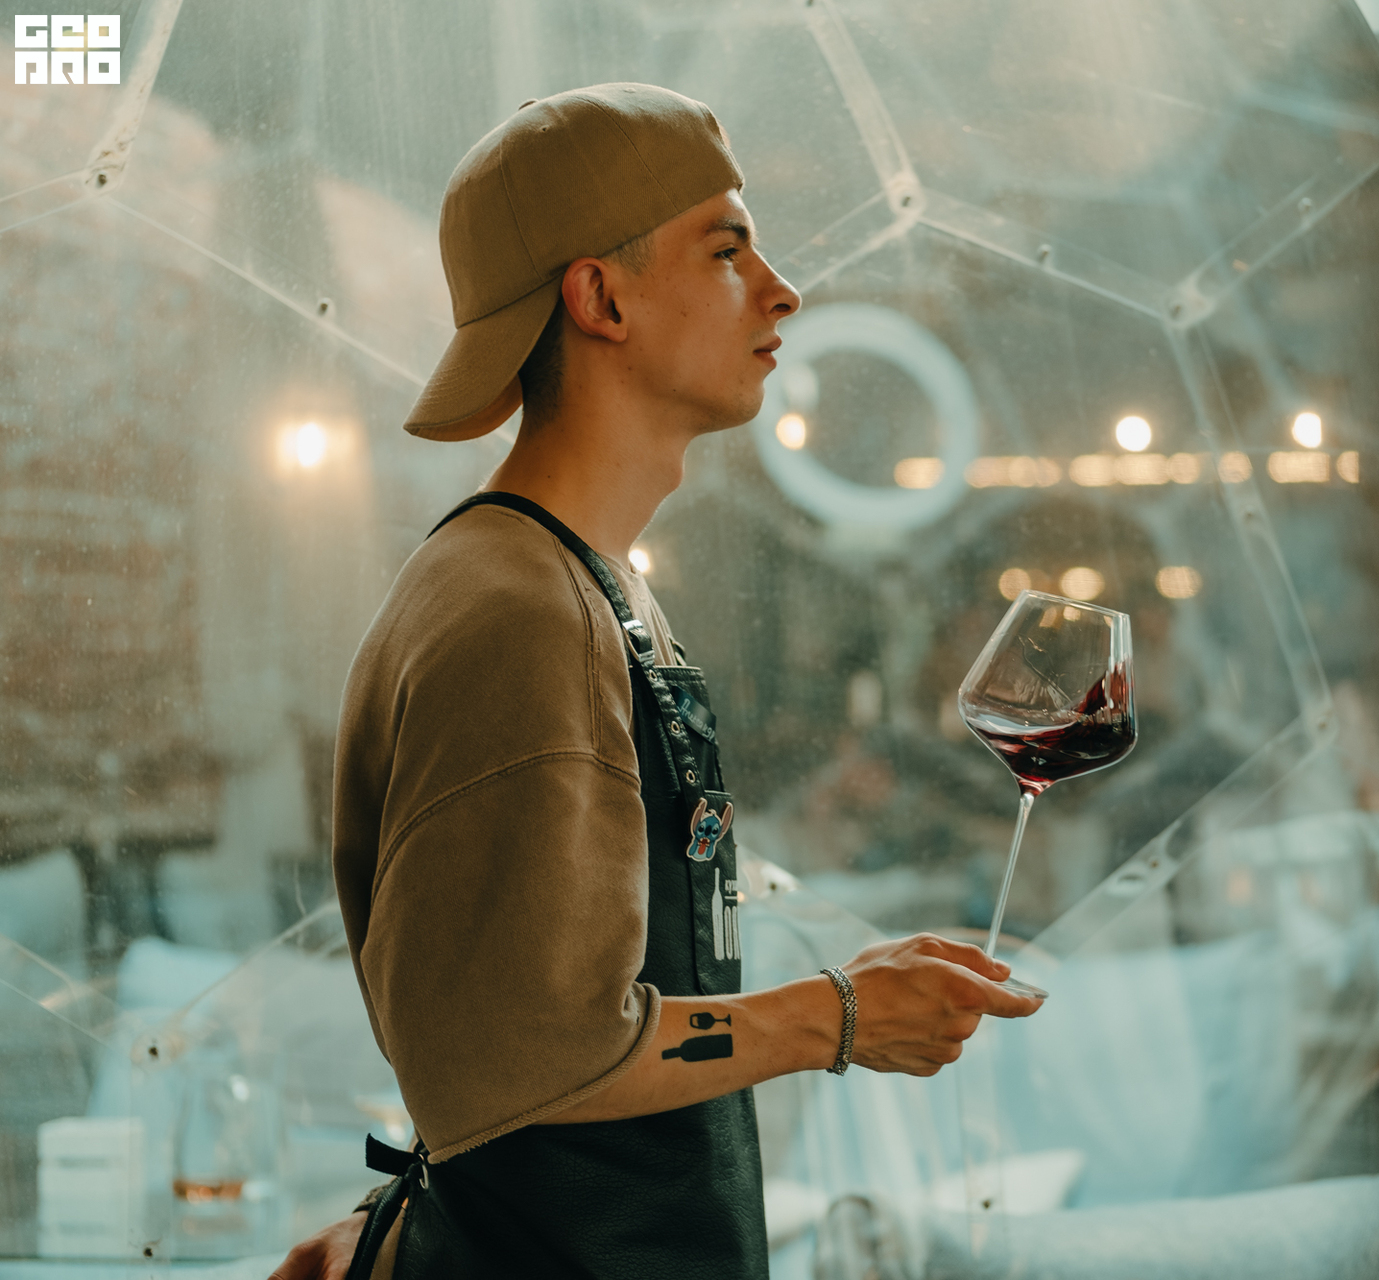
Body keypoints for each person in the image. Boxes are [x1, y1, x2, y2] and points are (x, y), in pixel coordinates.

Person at [271, 83, 1042, 1280]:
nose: (782, 291)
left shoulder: (573, 581)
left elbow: (558, 997)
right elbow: (521, 1052)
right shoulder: (519, 609)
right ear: (602, 297)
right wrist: (840, 1013)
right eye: (728, 251)